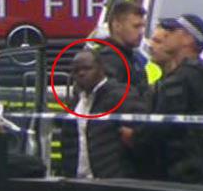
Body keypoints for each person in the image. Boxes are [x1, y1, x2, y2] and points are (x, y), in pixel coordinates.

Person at [125, 14, 203, 184]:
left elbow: (161, 126)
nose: (167, 35)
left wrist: (134, 136)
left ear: (187, 39)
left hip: (182, 176)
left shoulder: (181, 79)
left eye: (173, 31)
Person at [61, 50, 145, 179]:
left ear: (101, 69)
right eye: (76, 70)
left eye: (87, 68)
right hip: (78, 180)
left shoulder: (120, 95)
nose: (81, 73)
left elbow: (141, 134)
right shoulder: (76, 101)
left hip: (113, 181)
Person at [100, 1, 149, 96]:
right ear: (117, 26)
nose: (141, 32)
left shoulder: (132, 57)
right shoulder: (109, 59)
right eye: (136, 26)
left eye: (143, 26)